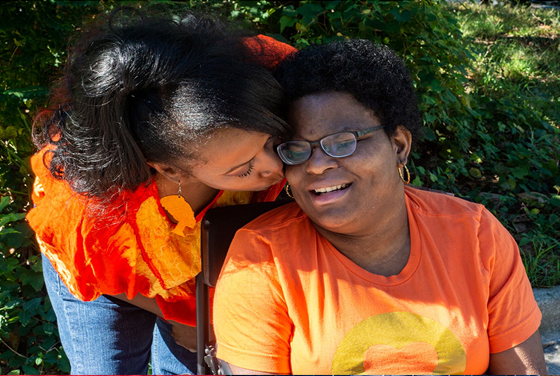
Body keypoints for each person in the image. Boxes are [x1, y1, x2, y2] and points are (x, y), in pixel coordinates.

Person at [213, 39, 548, 375]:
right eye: (296, 149)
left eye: (343, 143)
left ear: (399, 145)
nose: (315, 166)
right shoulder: (261, 258)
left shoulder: (475, 235)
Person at [27, 9, 295, 375]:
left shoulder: (265, 71)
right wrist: (190, 317)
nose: (277, 168)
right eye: (244, 168)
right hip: (105, 280)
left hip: (204, 276)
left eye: (275, 140)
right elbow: (97, 272)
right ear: (169, 168)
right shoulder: (90, 211)